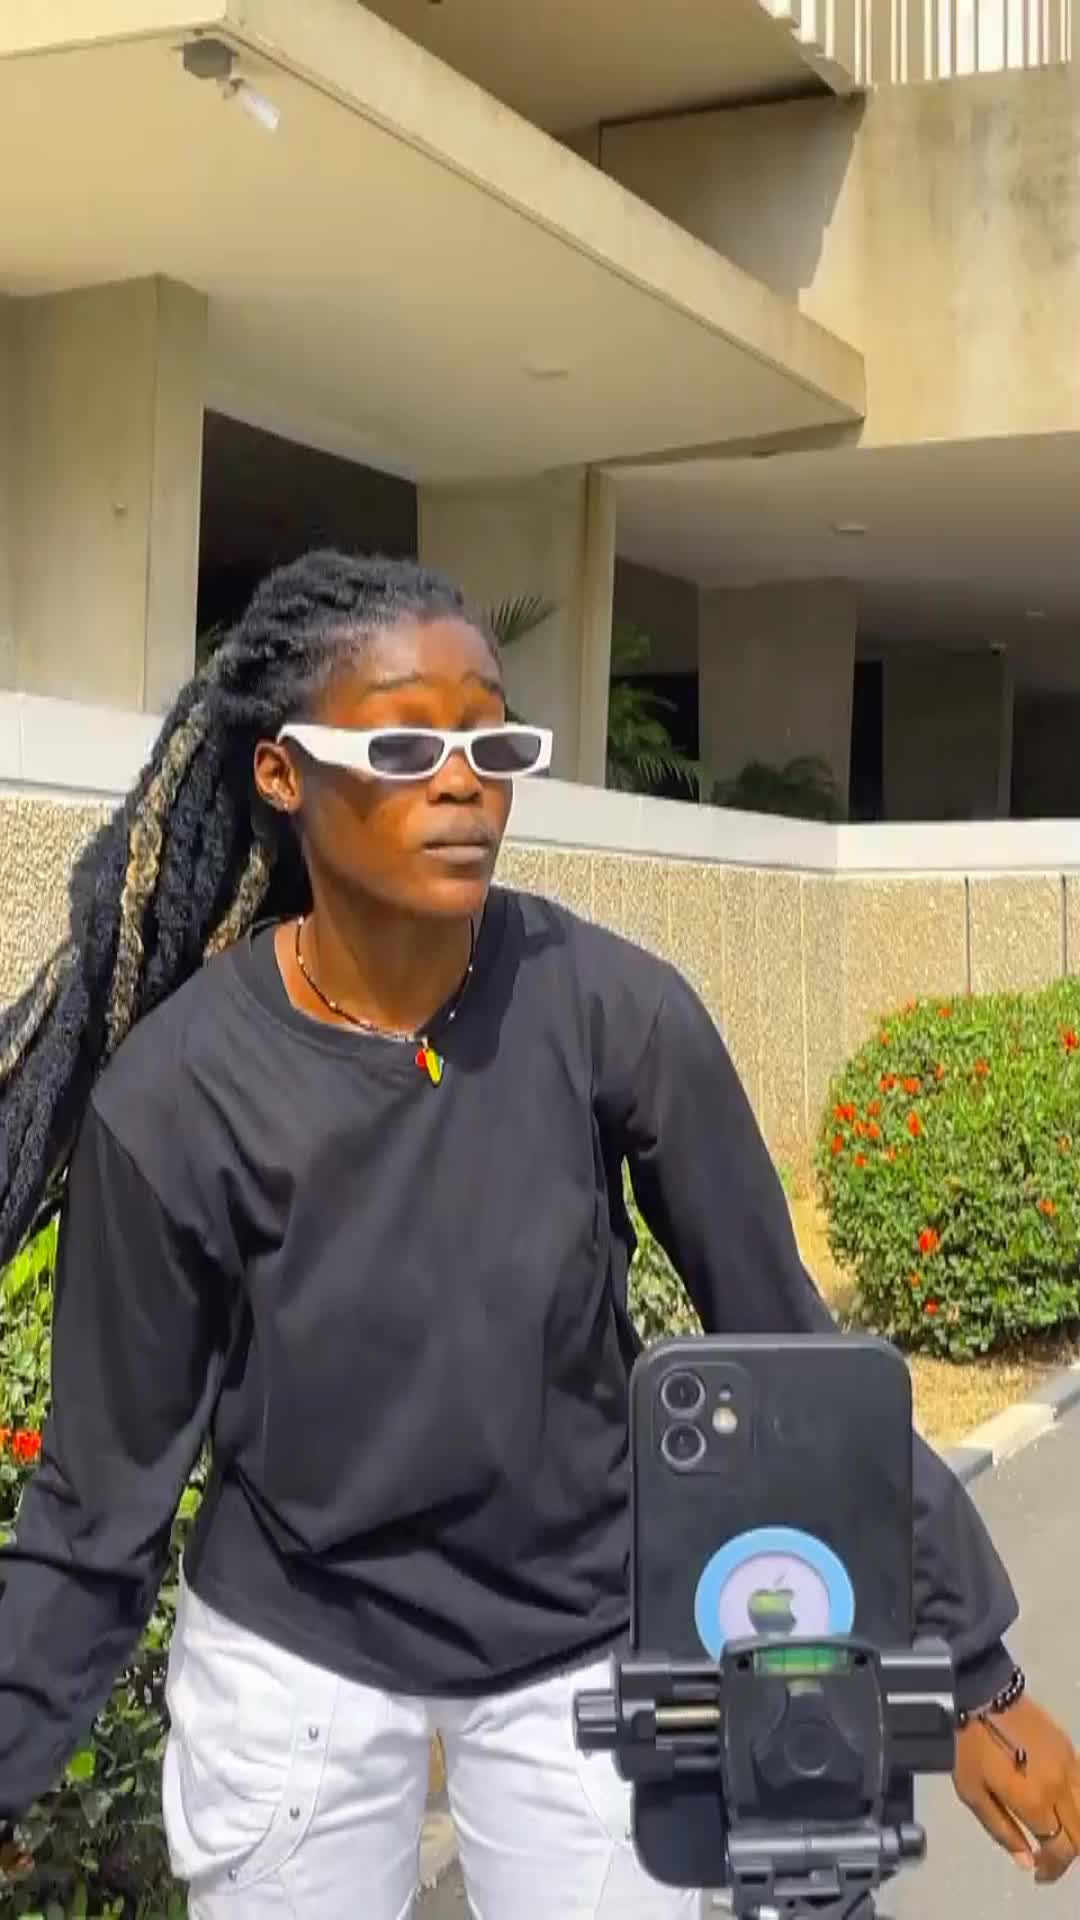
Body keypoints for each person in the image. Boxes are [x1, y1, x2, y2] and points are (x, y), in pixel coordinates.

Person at [0, 551, 1076, 1919]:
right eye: (404, 746)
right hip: (297, 1662)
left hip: (580, 1636)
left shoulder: (614, 1012)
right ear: (283, 775)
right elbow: (98, 1512)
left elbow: (792, 1356)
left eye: (492, 742)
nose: (463, 783)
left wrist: (972, 1672)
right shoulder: (177, 1096)